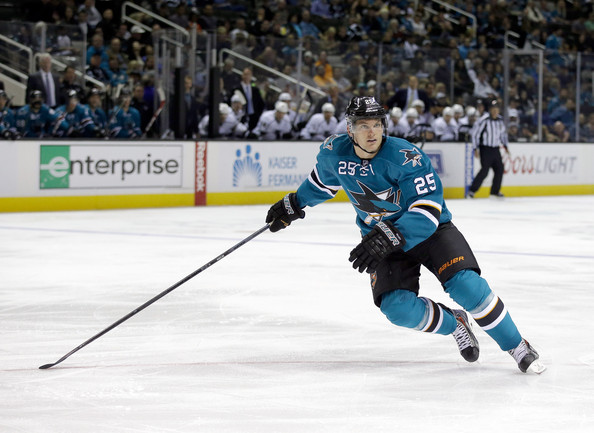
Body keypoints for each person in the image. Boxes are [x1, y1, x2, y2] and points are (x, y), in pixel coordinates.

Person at [264, 96, 544, 374]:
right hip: (381, 240)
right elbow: (320, 183)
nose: (372, 132)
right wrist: (293, 205)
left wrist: (390, 234)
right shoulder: (334, 153)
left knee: (466, 286)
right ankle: (455, 323)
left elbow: (427, 210)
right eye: (363, 125)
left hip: (429, 232)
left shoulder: (406, 157)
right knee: (397, 309)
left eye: (377, 124)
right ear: (350, 129)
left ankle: (517, 345)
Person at [467, 99, 510, 199]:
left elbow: (503, 134)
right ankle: (472, 191)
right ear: (490, 110)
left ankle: (495, 192)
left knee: (499, 169)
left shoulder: (500, 120)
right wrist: (475, 148)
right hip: (485, 148)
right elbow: (475, 134)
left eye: (497, 109)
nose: (495, 111)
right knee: (485, 170)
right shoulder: (484, 120)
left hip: (495, 148)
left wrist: (505, 146)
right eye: (493, 109)